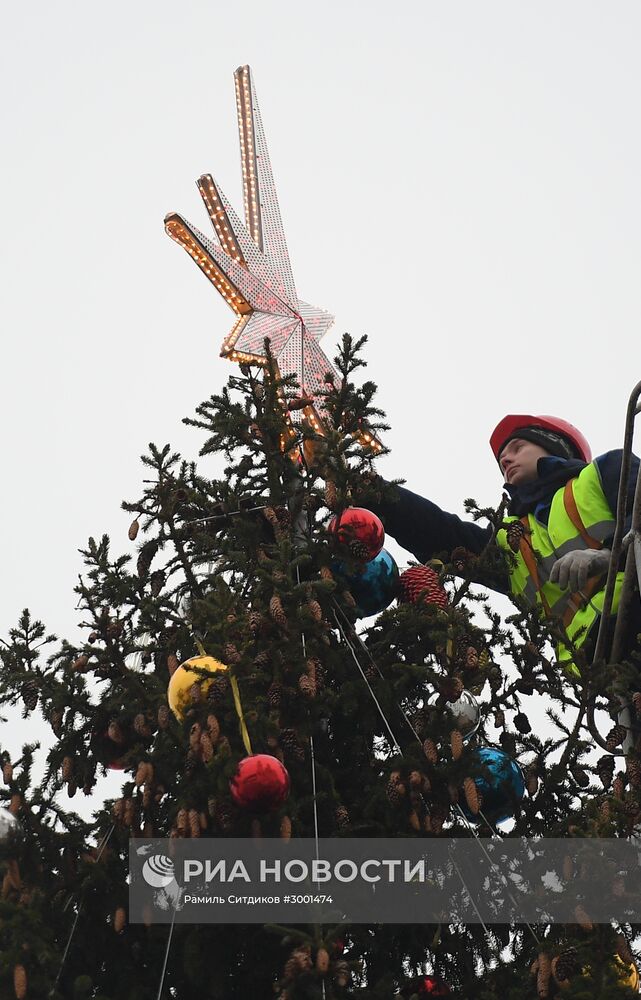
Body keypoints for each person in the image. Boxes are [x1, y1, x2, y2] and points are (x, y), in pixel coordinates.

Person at [363, 414, 640, 672]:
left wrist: (608, 555)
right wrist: (372, 491)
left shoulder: (603, 473)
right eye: (501, 460)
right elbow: (439, 532)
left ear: (555, 446)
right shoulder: (511, 540)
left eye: (518, 448)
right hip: (600, 665)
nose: (506, 459)